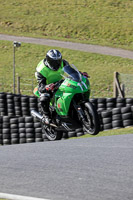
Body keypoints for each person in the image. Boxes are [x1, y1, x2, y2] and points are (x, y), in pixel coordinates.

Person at [35, 49, 69, 124]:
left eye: (58, 61)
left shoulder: (64, 63)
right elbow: (41, 86)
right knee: (44, 97)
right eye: (54, 62)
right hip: (47, 87)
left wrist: (79, 74)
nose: (57, 64)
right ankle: (46, 116)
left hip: (60, 83)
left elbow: (71, 72)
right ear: (49, 61)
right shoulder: (41, 70)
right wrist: (47, 87)